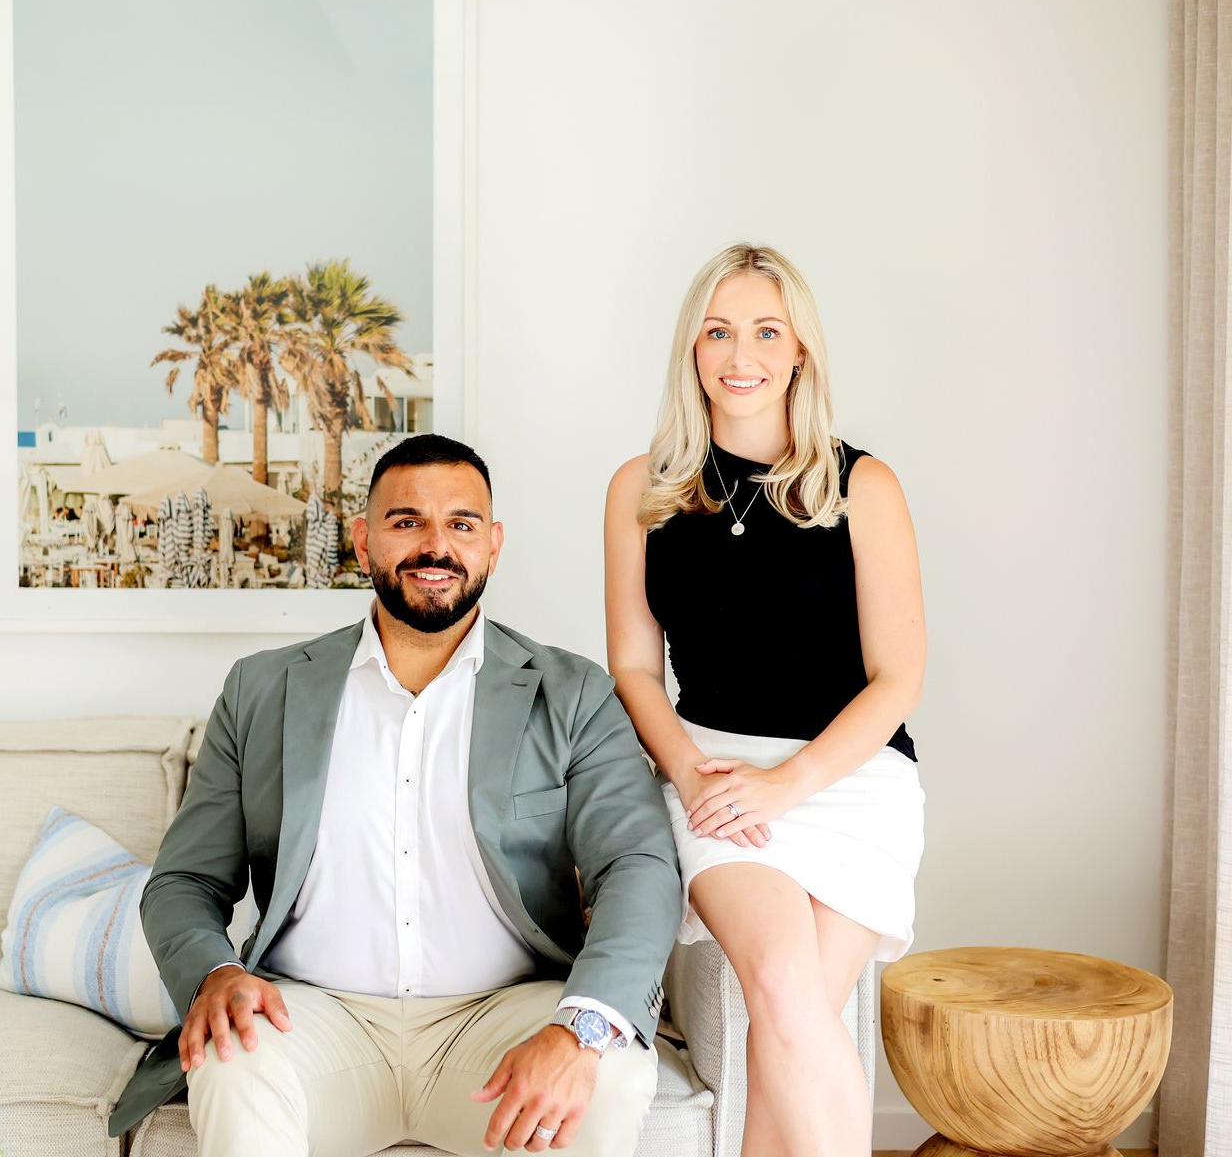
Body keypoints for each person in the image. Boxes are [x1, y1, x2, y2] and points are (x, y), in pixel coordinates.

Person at [110, 434, 680, 1157]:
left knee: (612, 1075)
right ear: (363, 540)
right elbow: (185, 880)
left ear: (493, 545)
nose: (434, 545)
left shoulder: (573, 695)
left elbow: (638, 867)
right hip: (312, 1020)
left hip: (501, 1021)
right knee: (232, 1059)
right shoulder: (262, 690)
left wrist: (580, 1028)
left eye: (461, 524)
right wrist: (214, 974)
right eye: (406, 521)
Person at [605, 244, 926, 1157]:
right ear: (691, 349)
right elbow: (634, 667)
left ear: (799, 353)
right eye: (717, 330)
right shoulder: (641, 488)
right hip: (709, 770)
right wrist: (691, 772)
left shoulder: (863, 486)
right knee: (783, 987)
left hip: (853, 780)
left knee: (785, 1025)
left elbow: (898, 678)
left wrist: (789, 784)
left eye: (765, 331)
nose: (738, 354)